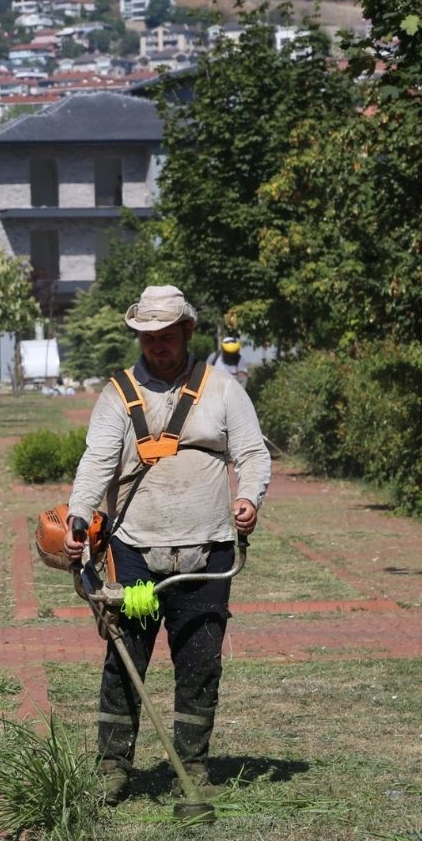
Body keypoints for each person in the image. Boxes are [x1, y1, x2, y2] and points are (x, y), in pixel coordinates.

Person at [63, 286, 270, 802]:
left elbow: (252, 453)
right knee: (124, 658)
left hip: (209, 549)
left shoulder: (224, 390)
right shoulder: (118, 393)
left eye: (166, 335)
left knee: (200, 661)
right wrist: (78, 515)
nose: (156, 345)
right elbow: (97, 462)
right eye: (147, 337)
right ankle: (112, 767)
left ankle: (193, 766)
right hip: (134, 549)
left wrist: (248, 498)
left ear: (187, 332)